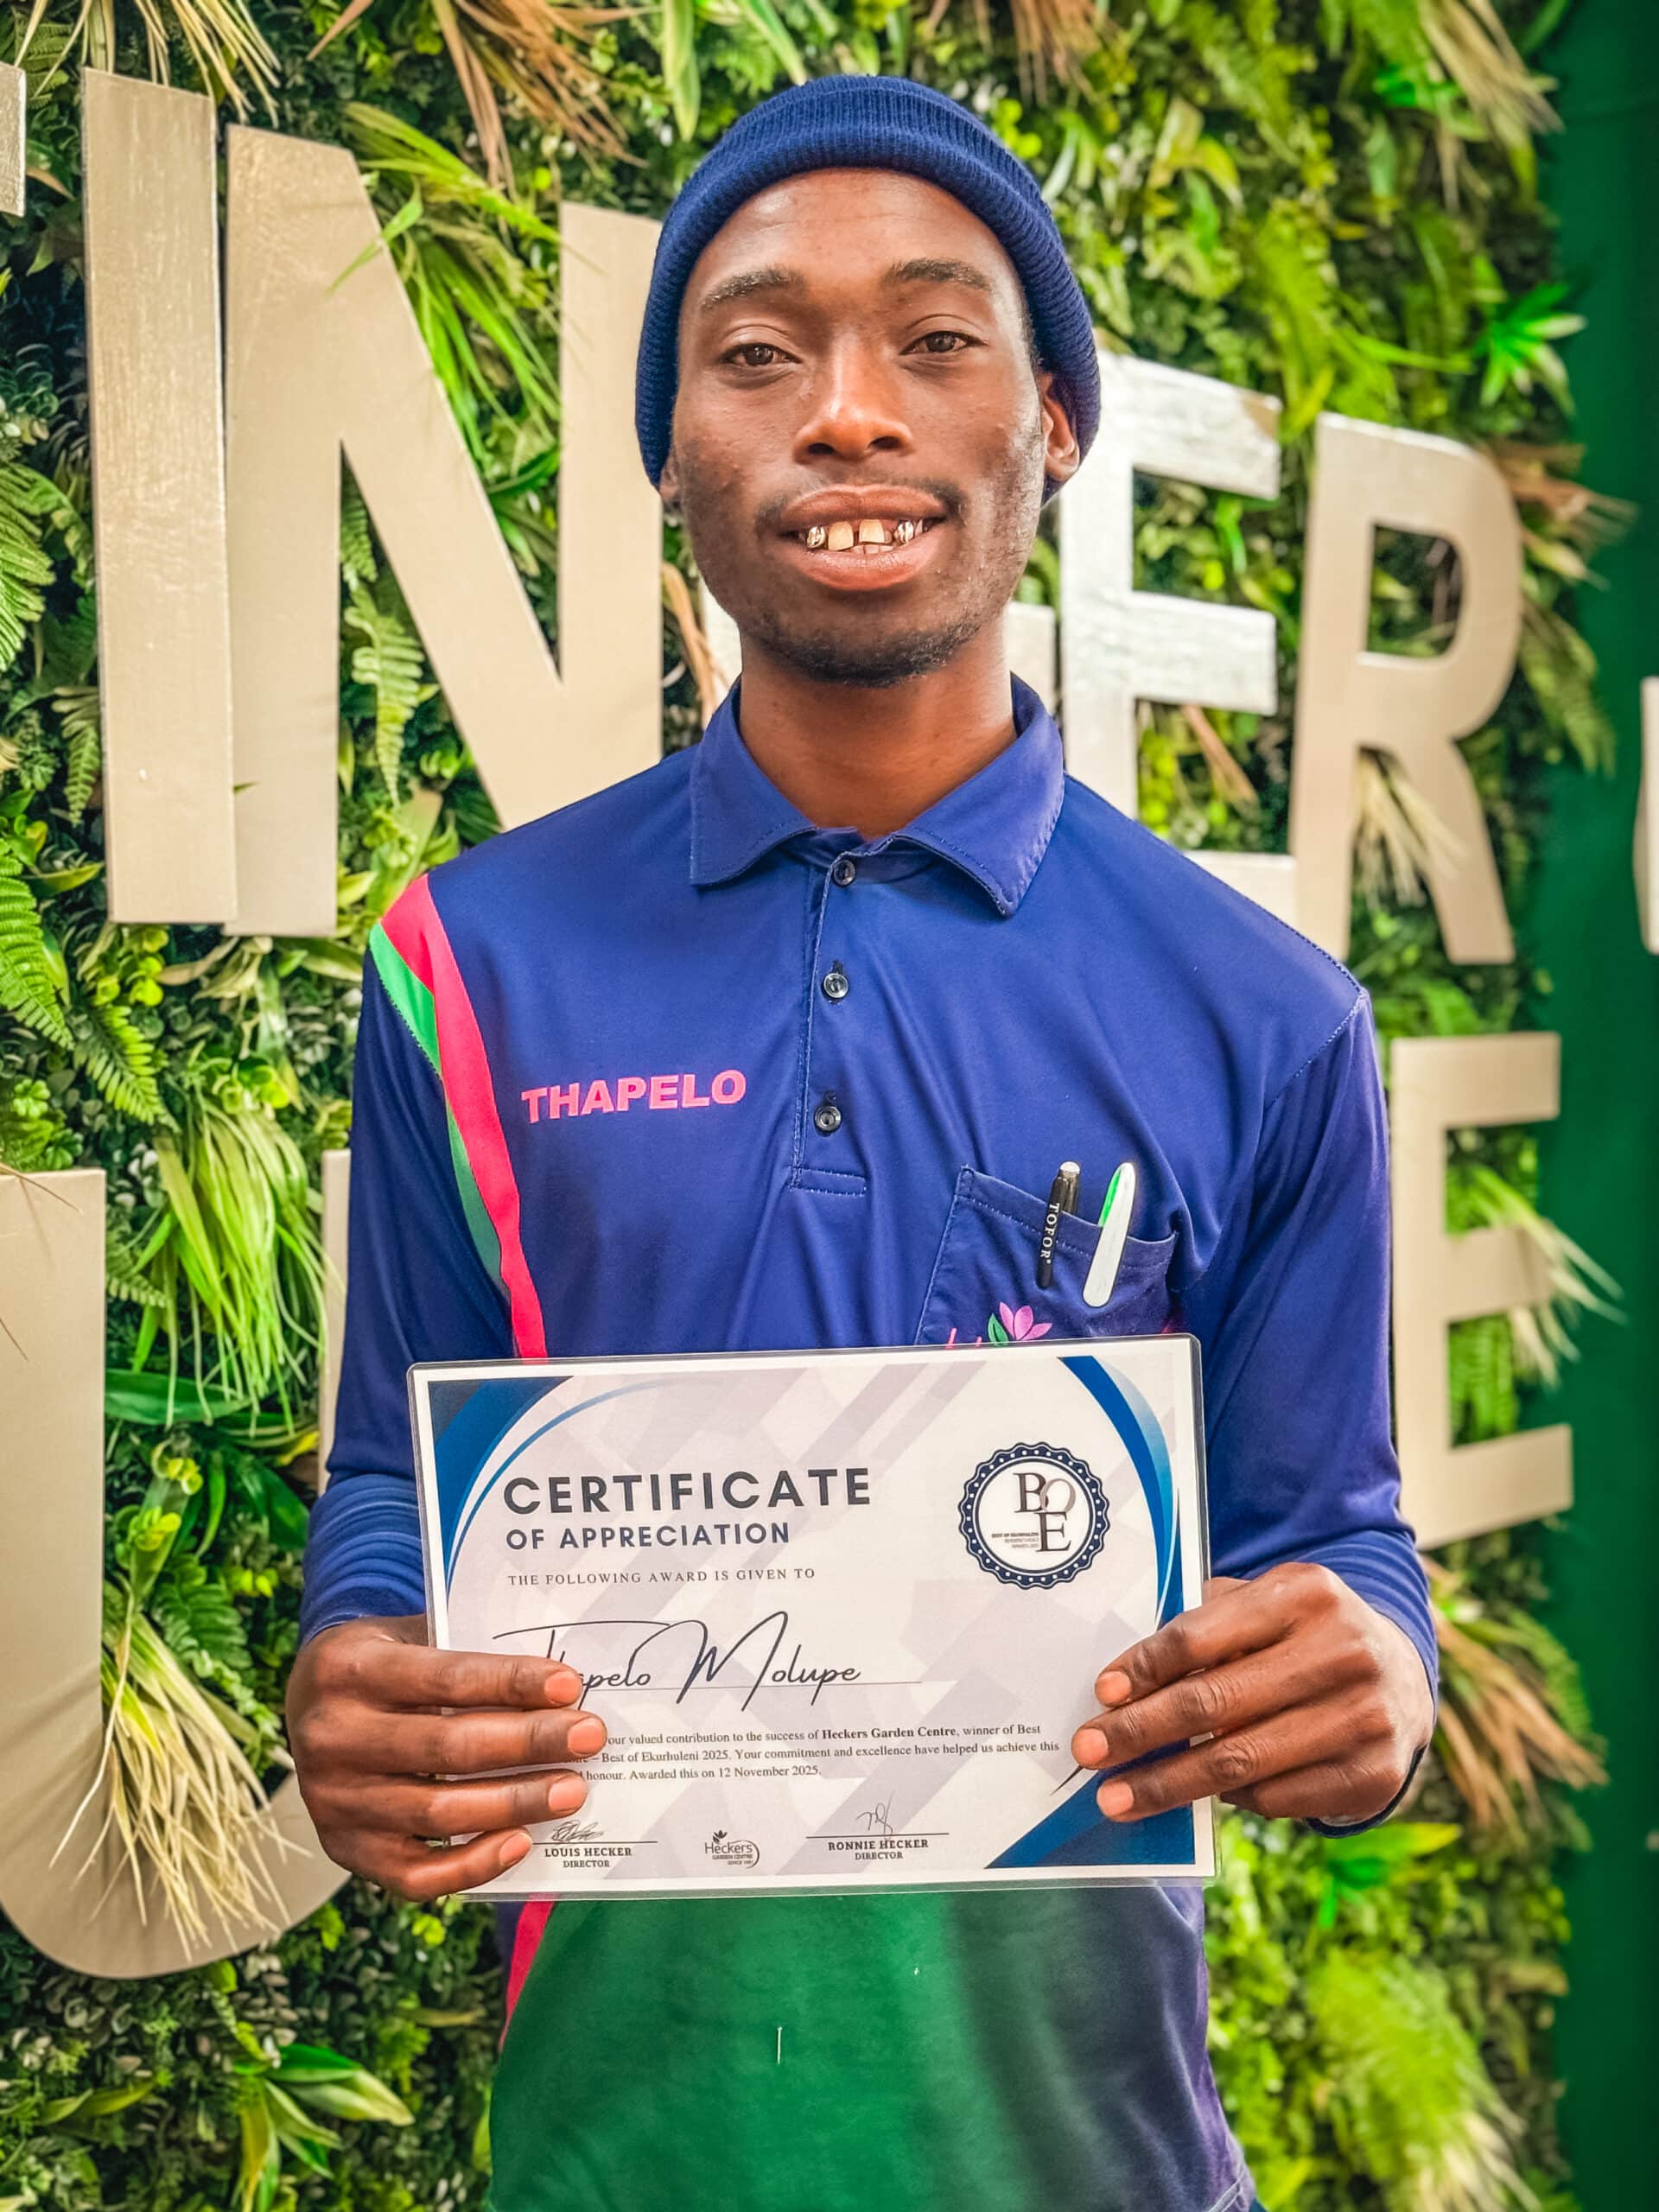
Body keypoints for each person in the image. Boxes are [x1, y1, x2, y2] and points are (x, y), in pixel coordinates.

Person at [291, 74, 1437, 2212]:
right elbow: (391, 1479)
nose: (846, 412)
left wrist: (1376, 1677)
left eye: (937, 339)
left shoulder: (1267, 1012)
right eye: (755, 350)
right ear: (668, 452)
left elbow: (1339, 1540)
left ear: (1054, 423)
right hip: (614, 2161)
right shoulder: (469, 958)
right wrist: (353, 1654)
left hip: (1089, 2160)